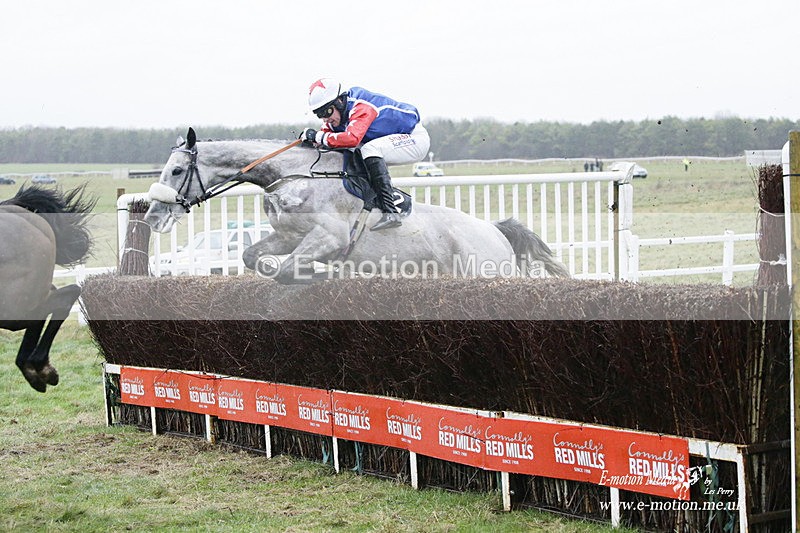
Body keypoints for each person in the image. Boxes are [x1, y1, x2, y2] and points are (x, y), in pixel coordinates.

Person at [300, 78, 430, 231]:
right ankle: (370, 200)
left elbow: (351, 139)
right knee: (352, 151)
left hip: (414, 139)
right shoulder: (336, 117)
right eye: (319, 114)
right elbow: (326, 138)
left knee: (369, 149)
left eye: (327, 111)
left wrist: (318, 136)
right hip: (388, 140)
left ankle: (391, 211)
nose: (325, 118)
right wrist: (310, 140)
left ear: (340, 102)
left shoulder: (361, 107)